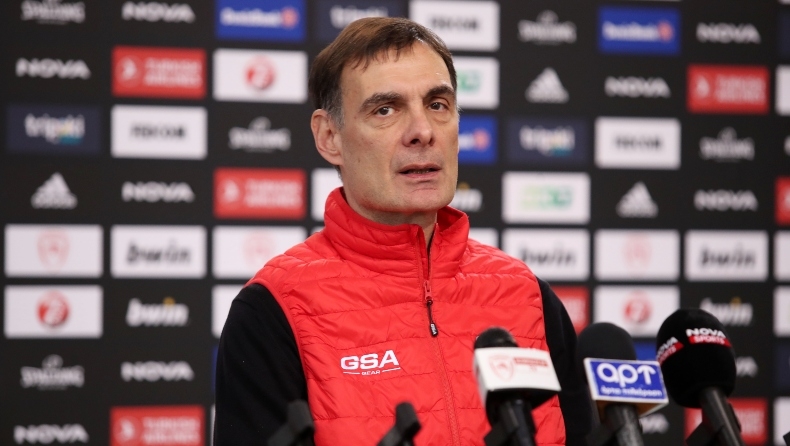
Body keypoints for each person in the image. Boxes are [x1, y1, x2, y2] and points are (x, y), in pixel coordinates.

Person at [214, 17, 592, 446]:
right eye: (386, 110)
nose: (423, 132)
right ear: (329, 137)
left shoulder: (528, 296)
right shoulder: (273, 310)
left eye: (437, 104)